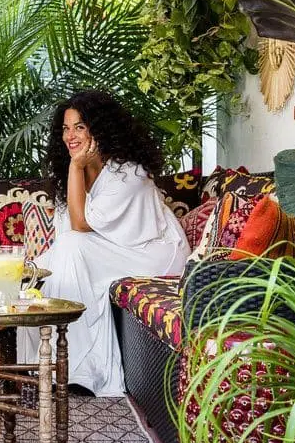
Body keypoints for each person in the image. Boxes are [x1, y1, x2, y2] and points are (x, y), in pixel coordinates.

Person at [17, 90, 189, 396]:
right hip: (114, 249)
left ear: (101, 129)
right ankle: (38, 366)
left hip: (155, 254)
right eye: (65, 128)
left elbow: (80, 226)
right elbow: (74, 232)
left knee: (72, 247)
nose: (70, 136)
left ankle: (83, 371)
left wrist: (75, 167)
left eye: (80, 127)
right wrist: (29, 268)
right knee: (29, 274)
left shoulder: (129, 172)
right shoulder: (76, 174)